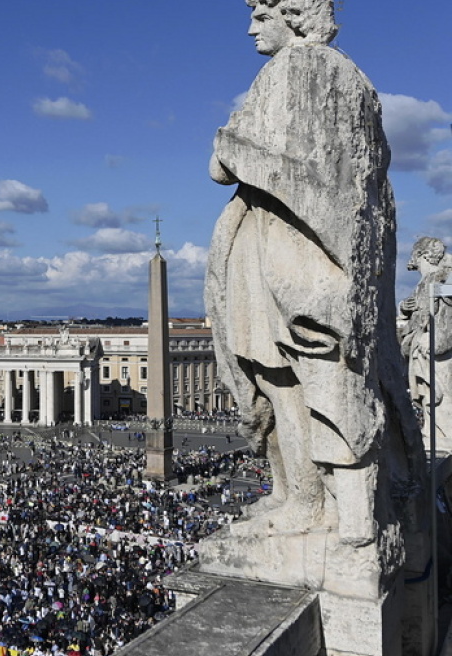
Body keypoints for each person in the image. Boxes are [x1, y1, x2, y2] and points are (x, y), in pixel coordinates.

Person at [203, 0, 421, 549]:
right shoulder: (357, 80)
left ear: (293, 15)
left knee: (310, 381)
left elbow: (223, 163)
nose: (251, 28)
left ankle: (330, 507)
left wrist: (229, 142)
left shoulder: (294, 71)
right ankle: (308, 497)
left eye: (260, 15)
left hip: (290, 254)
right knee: (295, 380)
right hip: (299, 252)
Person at [399, 236, 452, 450]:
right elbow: (416, 317)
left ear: (421, 256)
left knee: (439, 402)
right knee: (434, 406)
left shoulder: (438, 280)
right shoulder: (427, 283)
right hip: (425, 352)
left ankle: (442, 437)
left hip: (433, 354)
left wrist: (430, 337)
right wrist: (403, 307)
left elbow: (445, 319)